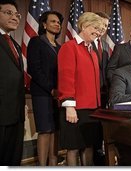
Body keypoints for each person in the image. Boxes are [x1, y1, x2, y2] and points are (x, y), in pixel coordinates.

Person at [58, 12, 104, 166]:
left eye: (100, 29)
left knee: (89, 145)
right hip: (76, 108)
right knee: (73, 147)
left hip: (93, 108)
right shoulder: (69, 47)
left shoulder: (93, 51)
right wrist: (70, 107)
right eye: (95, 28)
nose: (98, 32)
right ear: (84, 25)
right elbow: (66, 78)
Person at [27, 11, 63, 166]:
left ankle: (53, 164)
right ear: (44, 24)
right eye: (53, 21)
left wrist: (59, 91)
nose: (57, 24)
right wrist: (51, 89)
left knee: (55, 129)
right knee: (45, 129)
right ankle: (42, 166)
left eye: (59, 22)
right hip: (42, 93)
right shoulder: (36, 41)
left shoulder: (61, 47)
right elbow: (34, 69)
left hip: (58, 94)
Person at [0, 0, 25, 166]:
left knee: (13, 159)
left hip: (15, 114)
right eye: (8, 13)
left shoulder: (15, 44)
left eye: (16, 14)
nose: (15, 17)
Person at [91, 11, 110, 166]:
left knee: (100, 130)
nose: (104, 28)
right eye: (102, 24)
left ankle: (99, 161)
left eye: (106, 25)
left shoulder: (104, 44)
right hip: (89, 95)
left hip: (102, 93)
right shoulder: (86, 41)